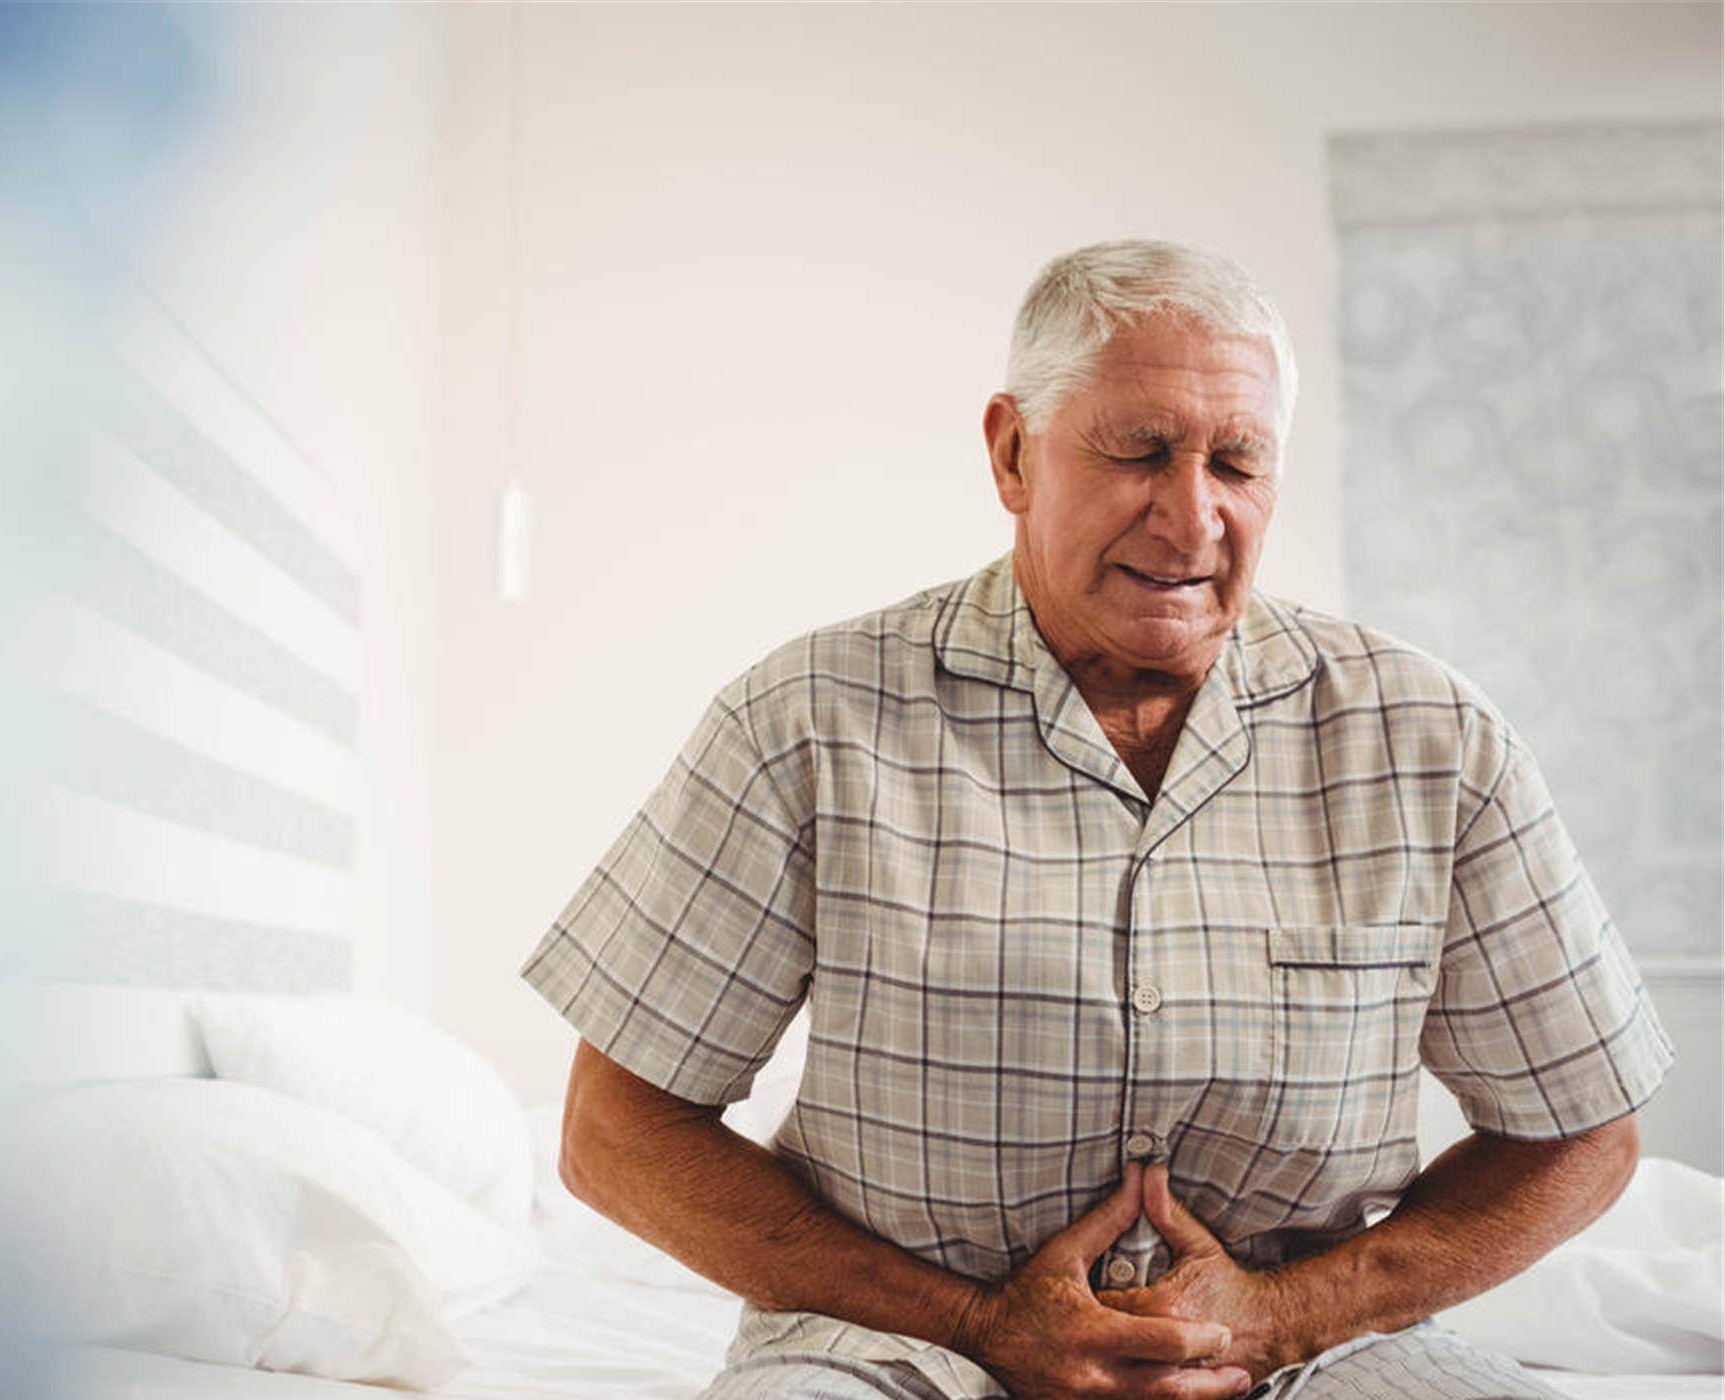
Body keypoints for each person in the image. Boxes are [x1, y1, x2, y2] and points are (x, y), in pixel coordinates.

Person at [518, 239, 1675, 1400]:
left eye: (1238, 461)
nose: (1192, 518)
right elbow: (616, 1131)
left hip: (1310, 1354)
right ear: (1012, 451)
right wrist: (978, 1320)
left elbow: (1582, 1134)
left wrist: (1284, 1315)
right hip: (892, 1348)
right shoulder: (807, 717)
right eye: (1139, 451)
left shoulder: (1431, 734)